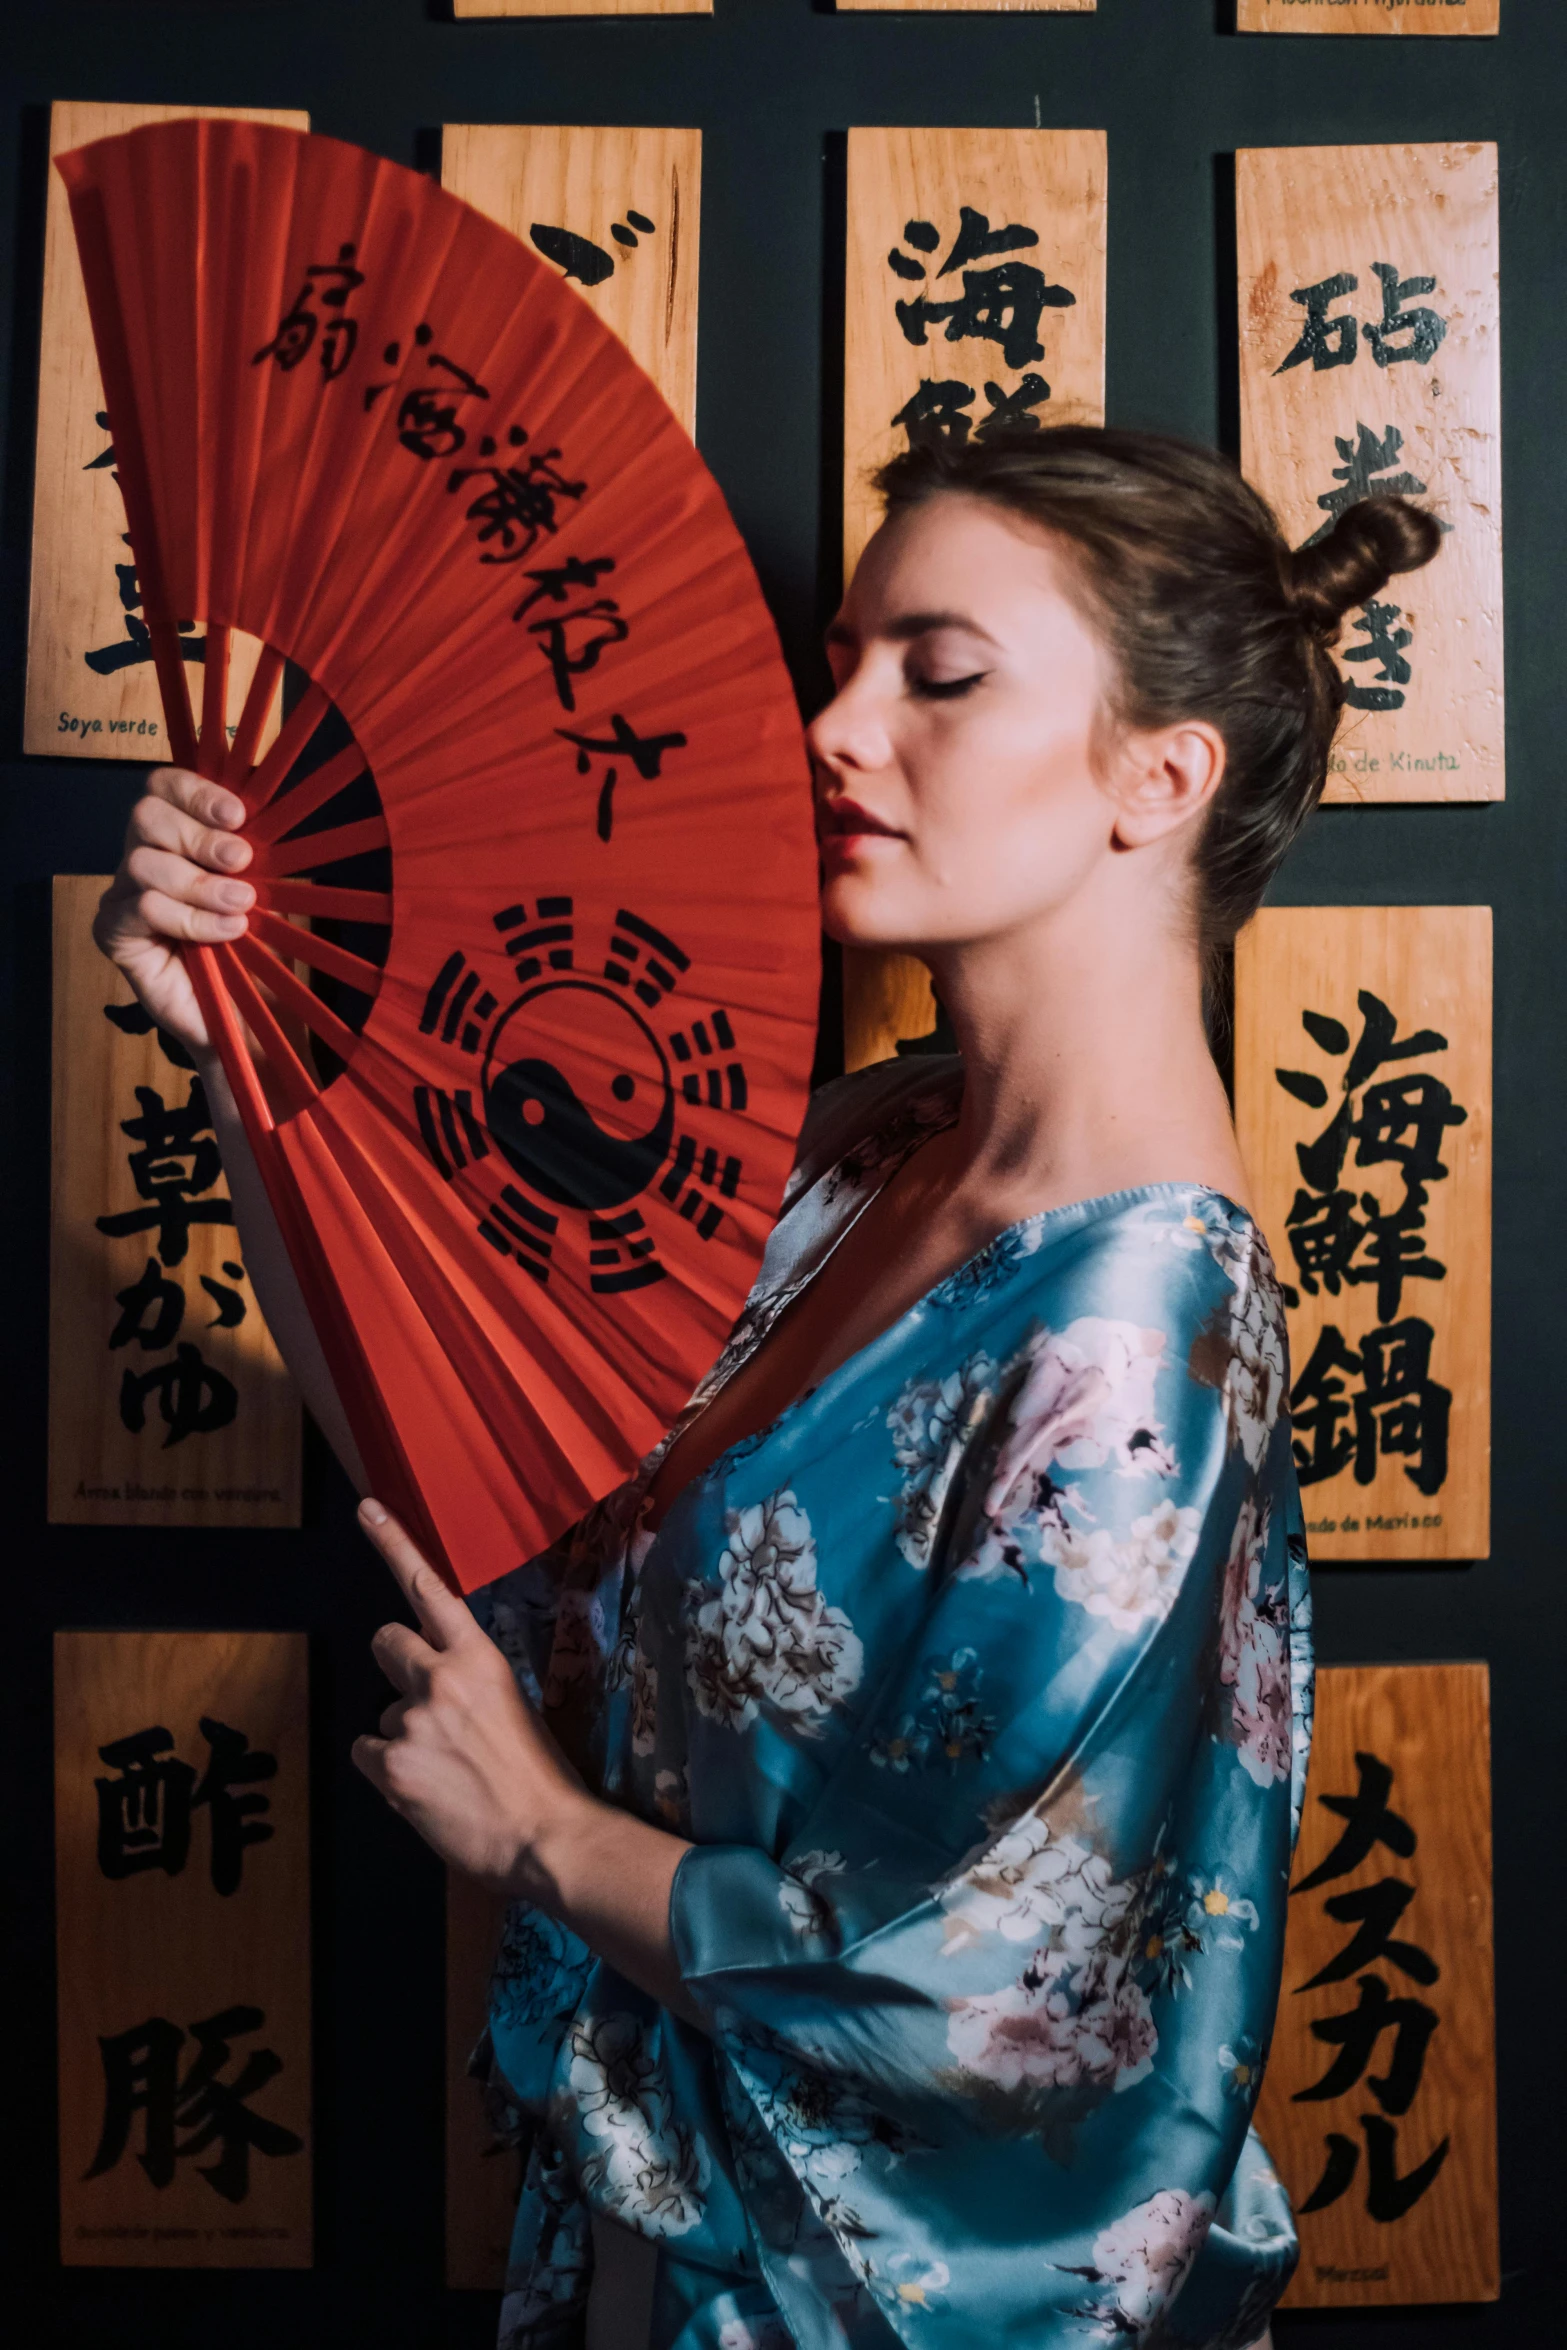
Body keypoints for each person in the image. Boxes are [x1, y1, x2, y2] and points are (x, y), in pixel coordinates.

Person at [96, 427, 1439, 2350]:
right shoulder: (868, 1149)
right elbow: (482, 1457)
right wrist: (242, 1049)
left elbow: (1004, 1985)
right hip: (668, 2238)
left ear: (1161, 773)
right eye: (842, 660)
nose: (834, 726)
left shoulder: (1141, 1325)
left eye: (940, 676)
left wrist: (549, 1836)